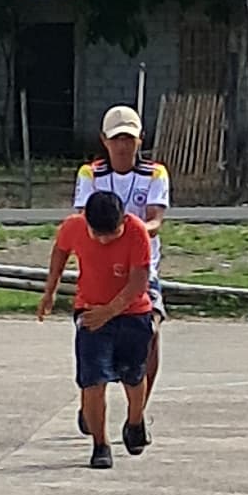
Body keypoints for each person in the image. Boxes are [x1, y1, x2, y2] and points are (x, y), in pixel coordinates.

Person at [38, 182, 158, 468]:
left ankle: (135, 421)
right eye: (97, 234)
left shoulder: (136, 230)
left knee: (133, 374)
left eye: (111, 234)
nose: (104, 241)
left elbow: (138, 282)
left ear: (123, 220)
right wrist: (50, 290)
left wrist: (110, 311)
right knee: (93, 380)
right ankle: (100, 444)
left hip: (132, 312)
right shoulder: (73, 226)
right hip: (90, 310)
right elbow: (60, 252)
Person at [73, 102, 169, 432]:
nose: (123, 146)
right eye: (116, 139)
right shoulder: (91, 174)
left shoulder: (154, 174)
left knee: (150, 334)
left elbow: (155, 219)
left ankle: (137, 413)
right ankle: (90, 400)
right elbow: (82, 220)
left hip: (141, 268)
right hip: (100, 270)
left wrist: (128, 232)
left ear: (140, 139)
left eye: (129, 138)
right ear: (104, 140)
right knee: (91, 335)